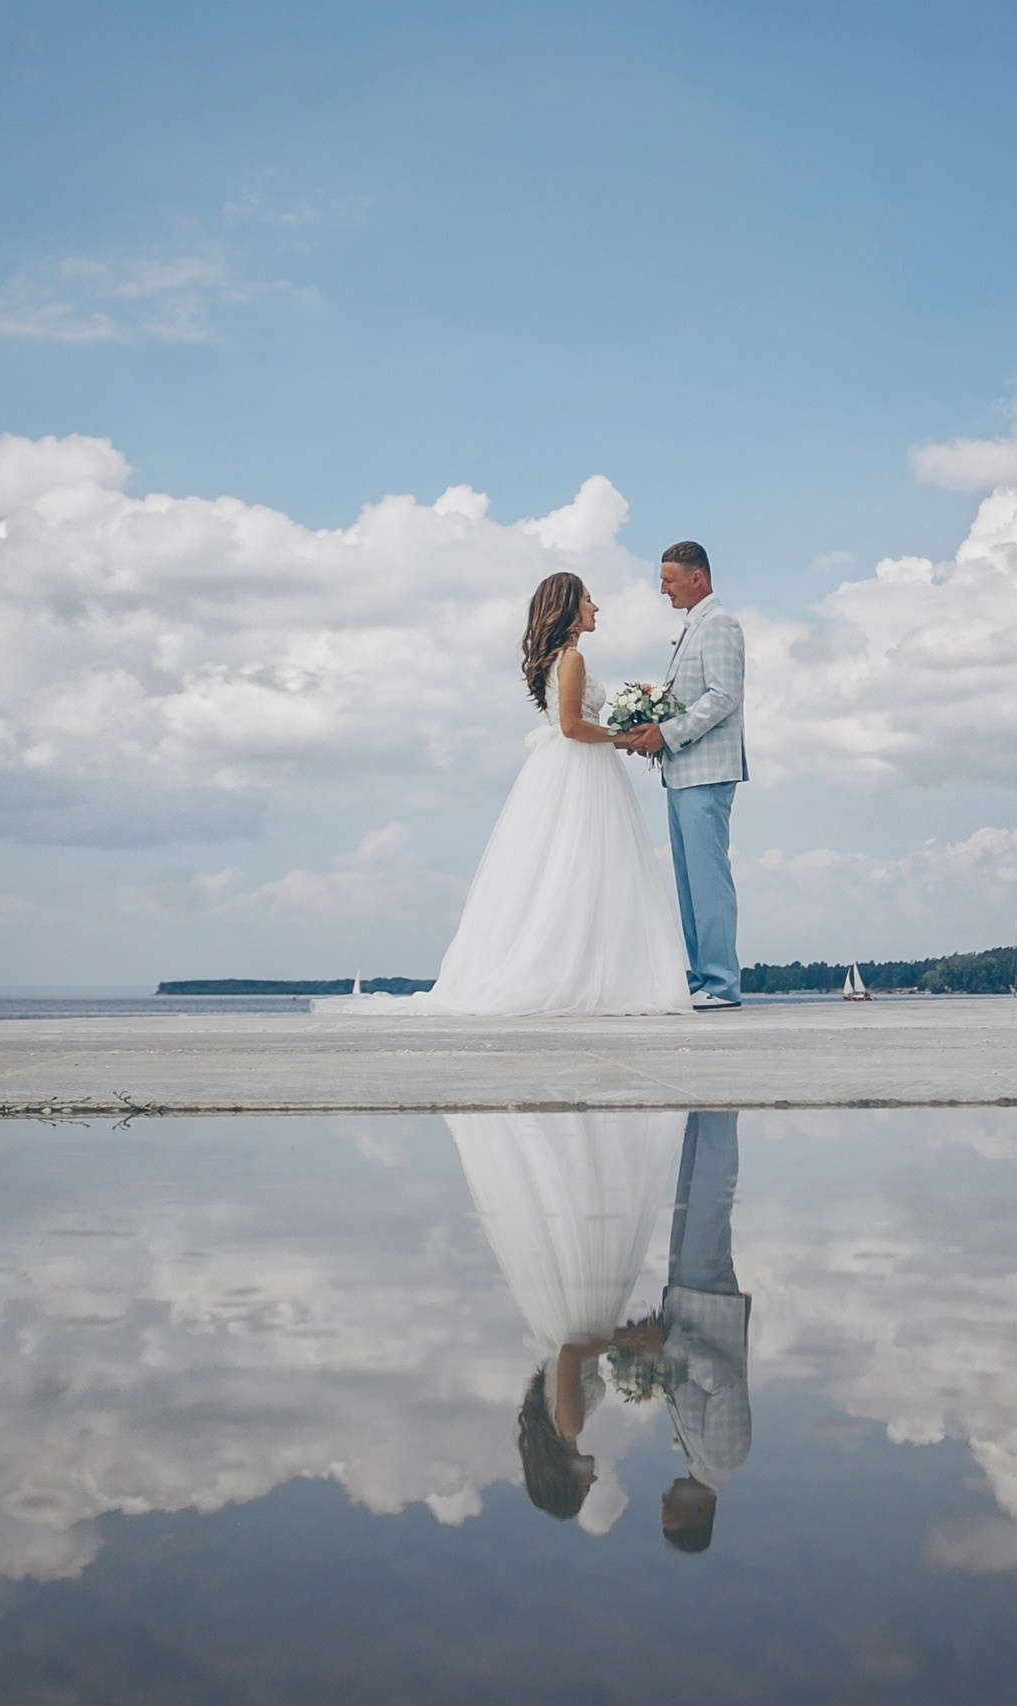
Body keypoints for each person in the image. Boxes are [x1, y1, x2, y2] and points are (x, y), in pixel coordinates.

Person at [317, 572, 691, 1016]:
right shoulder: (571, 660)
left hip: (573, 767)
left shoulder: (562, 659)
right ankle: (581, 974)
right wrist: (625, 737)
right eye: (589, 600)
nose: (596, 607)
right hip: (579, 768)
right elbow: (571, 726)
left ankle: (589, 970)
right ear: (570, 608)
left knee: (577, 868)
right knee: (582, 864)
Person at [445, 1110, 689, 1530]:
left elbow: (571, 1354)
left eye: (585, 1486)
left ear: (565, 1477)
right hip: (571, 1317)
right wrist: (625, 1340)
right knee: (573, 1214)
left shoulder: (569, 1424)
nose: (594, 1478)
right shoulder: (555, 1423)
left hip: (577, 1318)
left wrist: (628, 1344)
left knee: (595, 1212)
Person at [614, 543, 746, 1012]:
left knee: (708, 878)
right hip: (683, 772)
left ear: (698, 577)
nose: (662, 589)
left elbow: (723, 696)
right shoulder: (694, 628)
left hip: (706, 770)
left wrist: (666, 733)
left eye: (669, 580)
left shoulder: (721, 625)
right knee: (689, 880)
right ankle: (703, 975)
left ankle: (722, 981)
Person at [617, 1110, 752, 1553]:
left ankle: (704, 1107)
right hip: (707, 1302)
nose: (664, 1495)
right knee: (711, 1196)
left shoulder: (698, 1458)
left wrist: (651, 1354)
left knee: (691, 1192)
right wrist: (668, 1345)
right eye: (671, 1504)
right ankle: (722, 1105)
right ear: (699, 1512)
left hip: (686, 1301)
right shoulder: (724, 1460)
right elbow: (727, 1386)